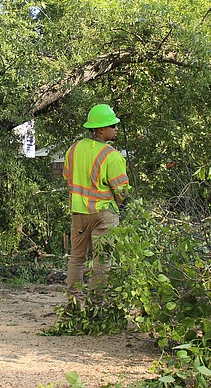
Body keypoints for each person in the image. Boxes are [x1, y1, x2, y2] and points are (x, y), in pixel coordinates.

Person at [62, 103, 130, 298]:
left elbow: (68, 177)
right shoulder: (111, 155)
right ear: (100, 129)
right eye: (113, 125)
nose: (116, 128)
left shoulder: (73, 150)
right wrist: (121, 205)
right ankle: (96, 306)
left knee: (76, 258)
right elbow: (121, 190)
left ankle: (73, 304)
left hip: (79, 213)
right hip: (104, 214)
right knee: (102, 261)